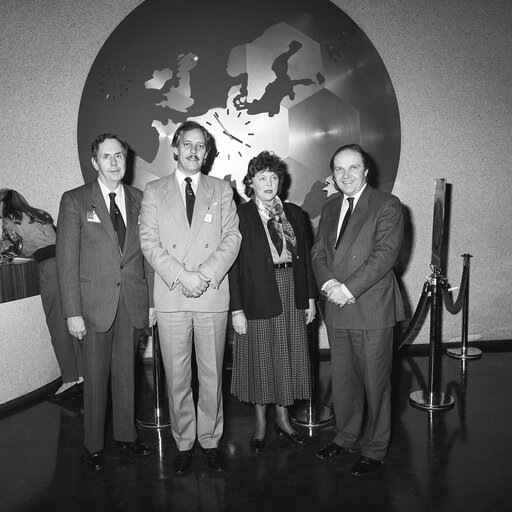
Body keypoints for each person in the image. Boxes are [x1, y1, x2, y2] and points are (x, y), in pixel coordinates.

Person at [139, 121, 241, 473]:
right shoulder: (153, 191)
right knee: (177, 376)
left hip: (211, 294)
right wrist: (183, 276)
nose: (194, 151)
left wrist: (205, 276)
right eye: (187, 145)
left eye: (201, 146)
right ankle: (183, 442)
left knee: (212, 375)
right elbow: (148, 242)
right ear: (176, 149)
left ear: (208, 152)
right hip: (172, 295)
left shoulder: (222, 190)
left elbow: (232, 238)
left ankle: (210, 439)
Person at [56, 133, 155, 471]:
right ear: (95, 162)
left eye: (120, 157)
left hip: (132, 300)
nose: (114, 163)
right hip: (94, 305)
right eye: (107, 157)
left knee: (127, 373)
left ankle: (127, 436)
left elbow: (148, 257)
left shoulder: (142, 199)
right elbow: (66, 261)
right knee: (96, 377)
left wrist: (152, 302)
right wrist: (73, 312)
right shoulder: (75, 200)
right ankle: (94, 445)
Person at [311, 144, 404, 476]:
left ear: (367, 171)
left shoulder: (387, 205)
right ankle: (346, 436)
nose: (345, 175)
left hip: (371, 307)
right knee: (345, 381)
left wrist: (347, 289)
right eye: (338, 169)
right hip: (336, 307)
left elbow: (385, 254)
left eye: (353, 168)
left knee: (376, 385)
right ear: (333, 175)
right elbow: (318, 252)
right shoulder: (331, 205)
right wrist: (328, 286)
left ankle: (375, 449)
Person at [229, 151, 316, 453]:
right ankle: (261, 423)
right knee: (261, 358)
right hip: (257, 292)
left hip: (292, 288)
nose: (268, 183)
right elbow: (233, 267)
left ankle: (283, 418)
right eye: (262, 177)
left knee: (288, 356)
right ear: (250, 182)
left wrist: (309, 298)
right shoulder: (240, 216)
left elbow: (304, 258)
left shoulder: (294, 213)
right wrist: (236, 309)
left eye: (274, 177)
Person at [0, 189, 83, 399]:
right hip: (69, 264)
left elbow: (6, 250)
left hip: (51, 268)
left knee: (57, 323)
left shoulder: (10, 220)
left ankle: (70, 378)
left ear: (4, 204)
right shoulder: (38, 214)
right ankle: (82, 374)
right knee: (72, 318)